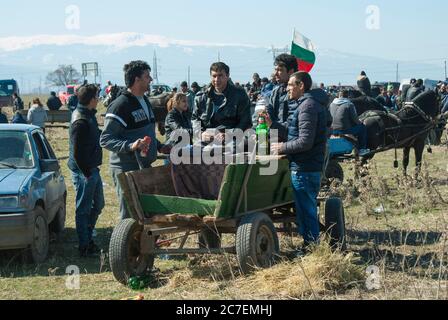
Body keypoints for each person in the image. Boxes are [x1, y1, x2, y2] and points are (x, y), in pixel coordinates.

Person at [100, 60, 171, 220]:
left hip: (143, 166)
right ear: (137, 79)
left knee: (144, 213)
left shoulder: (144, 100)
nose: (151, 80)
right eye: (147, 76)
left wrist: (160, 146)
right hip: (126, 168)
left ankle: (143, 245)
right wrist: (131, 145)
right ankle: (125, 245)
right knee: (129, 214)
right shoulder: (120, 105)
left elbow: (146, 132)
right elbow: (105, 139)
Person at [270, 72, 328, 251]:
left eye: (290, 84)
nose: (287, 88)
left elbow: (304, 141)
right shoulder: (307, 105)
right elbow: (293, 131)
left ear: (301, 85)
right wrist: (272, 123)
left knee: (306, 212)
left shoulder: (307, 107)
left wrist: (282, 147)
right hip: (306, 166)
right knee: (304, 210)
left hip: (305, 167)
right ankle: (310, 246)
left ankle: (311, 248)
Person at [68, 84, 104, 257]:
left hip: (91, 169)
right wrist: (87, 174)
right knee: (83, 209)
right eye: (97, 96)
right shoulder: (80, 120)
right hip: (85, 172)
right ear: (91, 100)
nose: (99, 99)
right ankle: (85, 245)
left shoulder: (88, 114)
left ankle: (88, 238)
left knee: (98, 205)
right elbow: (76, 153)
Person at [192, 62, 252, 144]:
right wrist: (200, 133)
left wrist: (229, 135)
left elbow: (245, 121)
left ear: (227, 76)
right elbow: (194, 119)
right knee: (193, 152)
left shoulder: (239, 95)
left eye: (220, 75)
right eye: (214, 76)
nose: (217, 79)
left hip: (232, 139)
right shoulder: (201, 96)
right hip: (207, 139)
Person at [265, 54, 299, 132]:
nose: (275, 74)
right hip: (275, 134)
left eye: (280, 70)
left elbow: (293, 126)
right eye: (275, 70)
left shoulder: (299, 93)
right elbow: (270, 117)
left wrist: (273, 126)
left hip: (290, 139)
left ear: (291, 71)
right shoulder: (276, 91)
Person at [330, 90, 369, 155]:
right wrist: (361, 122)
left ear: (339, 96)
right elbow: (355, 120)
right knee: (362, 128)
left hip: (333, 130)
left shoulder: (332, 104)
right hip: (345, 130)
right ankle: (362, 149)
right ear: (348, 96)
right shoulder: (349, 104)